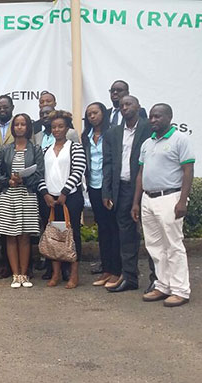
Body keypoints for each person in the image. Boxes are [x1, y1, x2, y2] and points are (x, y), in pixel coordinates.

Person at [131, 103, 194, 307]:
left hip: (170, 198)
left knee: (173, 245)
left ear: (169, 117)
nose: (153, 120)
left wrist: (182, 200)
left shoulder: (180, 139)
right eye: (151, 116)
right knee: (154, 246)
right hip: (148, 199)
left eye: (158, 116)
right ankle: (163, 285)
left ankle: (180, 290)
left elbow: (188, 171)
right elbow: (141, 174)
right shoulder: (147, 144)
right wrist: (136, 203)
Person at [102, 95, 151, 293]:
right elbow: (108, 164)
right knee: (126, 235)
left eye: (129, 104)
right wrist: (107, 191)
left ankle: (158, 279)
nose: (125, 108)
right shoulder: (113, 133)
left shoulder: (149, 128)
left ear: (138, 107)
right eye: (122, 106)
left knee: (152, 233)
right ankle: (129, 277)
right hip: (122, 189)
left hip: (147, 187)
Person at [0, 114, 44, 288]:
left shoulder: (35, 149)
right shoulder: (5, 149)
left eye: (23, 124)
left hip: (27, 195)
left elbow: (39, 174)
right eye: (17, 124)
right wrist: (8, 181)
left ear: (28, 127)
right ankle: (15, 275)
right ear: (13, 128)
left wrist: (23, 180)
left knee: (24, 237)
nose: (20, 127)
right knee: (10, 236)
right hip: (9, 196)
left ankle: (24, 274)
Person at [38, 110, 85, 288]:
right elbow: (40, 174)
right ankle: (56, 273)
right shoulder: (45, 150)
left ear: (67, 128)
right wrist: (46, 194)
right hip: (50, 200)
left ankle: (74, 274)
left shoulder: (74, 147)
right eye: (54, 127)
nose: (57, 130)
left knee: (72, 236)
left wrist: (64, 192)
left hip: (70, 198)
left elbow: (78, 170)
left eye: (60, 127)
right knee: (54, 236)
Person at [82, 102, 119, 287]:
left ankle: (117, 271)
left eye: (95, 113)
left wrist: (109, 189)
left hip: (109, 188)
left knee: (114, 229)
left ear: (103, 114)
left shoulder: (112, 133)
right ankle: (106, 269)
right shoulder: (85, 136)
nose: (92, 116)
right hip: (94, 188)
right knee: (103, 230)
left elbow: (113, 162)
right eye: (89, 114)